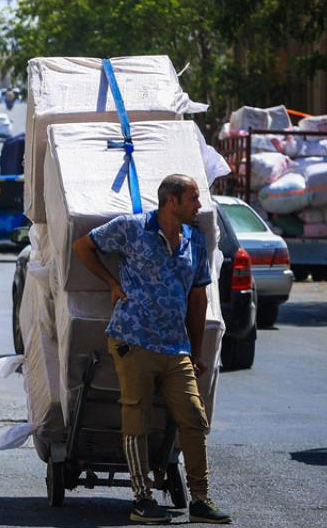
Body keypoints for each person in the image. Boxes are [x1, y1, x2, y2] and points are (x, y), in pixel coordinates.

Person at [72, 174, 231, 525]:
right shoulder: (132, 228)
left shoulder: (194, 239)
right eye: (193, 198)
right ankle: (142, 498)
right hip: (133, 338)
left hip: (175, 346)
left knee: (193, 416)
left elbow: (198, 296)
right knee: (136, 416)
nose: (198, 206)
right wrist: (112, 283)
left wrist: (196, 349)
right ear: (171, 200)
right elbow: (83, 246)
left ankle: (201, 499)